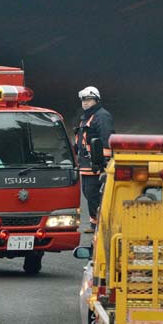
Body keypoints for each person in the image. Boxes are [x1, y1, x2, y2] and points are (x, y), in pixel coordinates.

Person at [74, 86, 114, 233]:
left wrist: (104, 162)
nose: (85, 103)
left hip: (96, 164)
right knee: (88, 192)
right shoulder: (86, 117)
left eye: (89, 100)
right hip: (86, 164)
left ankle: (99, 224)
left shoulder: (102, 116)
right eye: (83, 100)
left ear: (96, 100)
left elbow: (106, 140)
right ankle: (94, 222)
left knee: (93, 193)